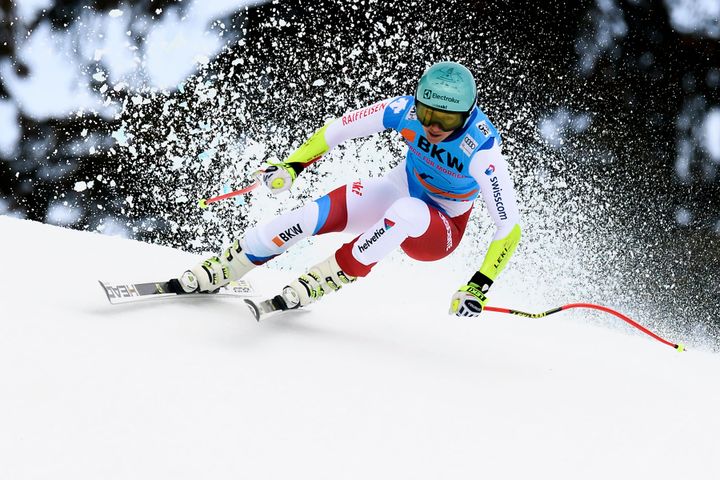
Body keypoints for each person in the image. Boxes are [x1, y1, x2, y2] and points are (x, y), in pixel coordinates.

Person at [169, 61, 521, 317]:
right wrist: (293, 165)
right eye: (427, 113)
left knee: (406, 213)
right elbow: (337, 129)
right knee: (311, 215)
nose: (432, 126)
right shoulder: (404, 111)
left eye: (446, 120)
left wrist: (479, 283)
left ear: (468, 115)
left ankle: (327, 276)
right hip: (401, 188)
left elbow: (509, 227)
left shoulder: (482, 151)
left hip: (440, 227)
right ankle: (229, 264)